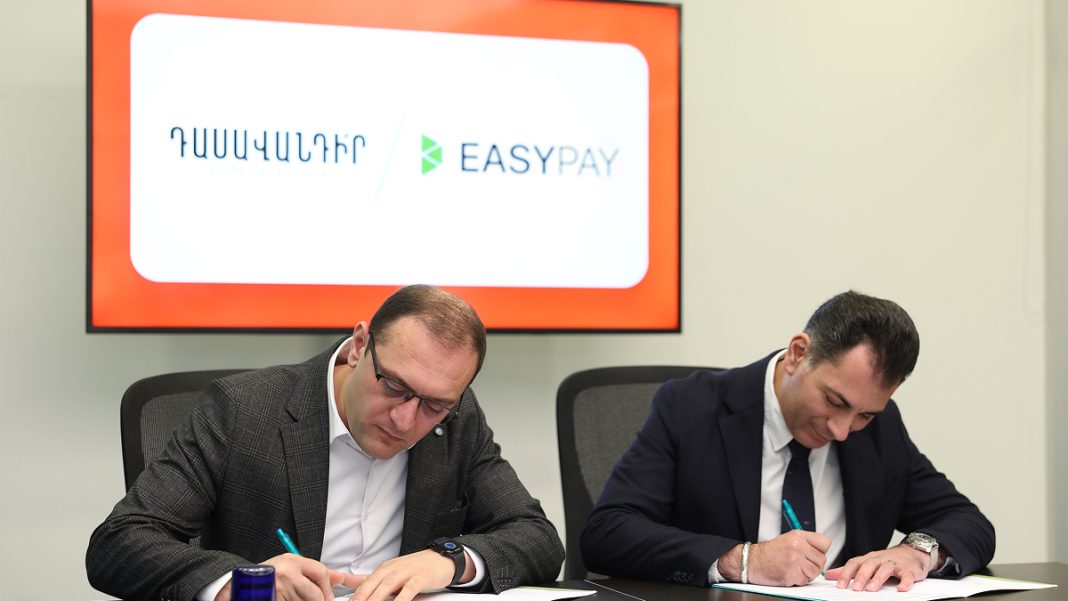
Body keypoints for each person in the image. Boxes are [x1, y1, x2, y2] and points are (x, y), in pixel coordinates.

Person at [87, 285, 563, 601]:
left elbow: (536, 537)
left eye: (434, 405)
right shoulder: (244, 409)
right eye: (394, 386)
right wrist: (246, 582)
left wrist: (450, 561)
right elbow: (118, 543)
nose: (405, 419)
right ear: (359, 346)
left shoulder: (458, 419)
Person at [580, 291, 994, 592]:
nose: (841, 430)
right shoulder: (691, 406)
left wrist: (917, 552)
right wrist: (743, 560)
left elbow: (968, 522)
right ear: (798, 353)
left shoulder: (879, 428)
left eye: (865, 414)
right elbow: (608, 534)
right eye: (834, 401)